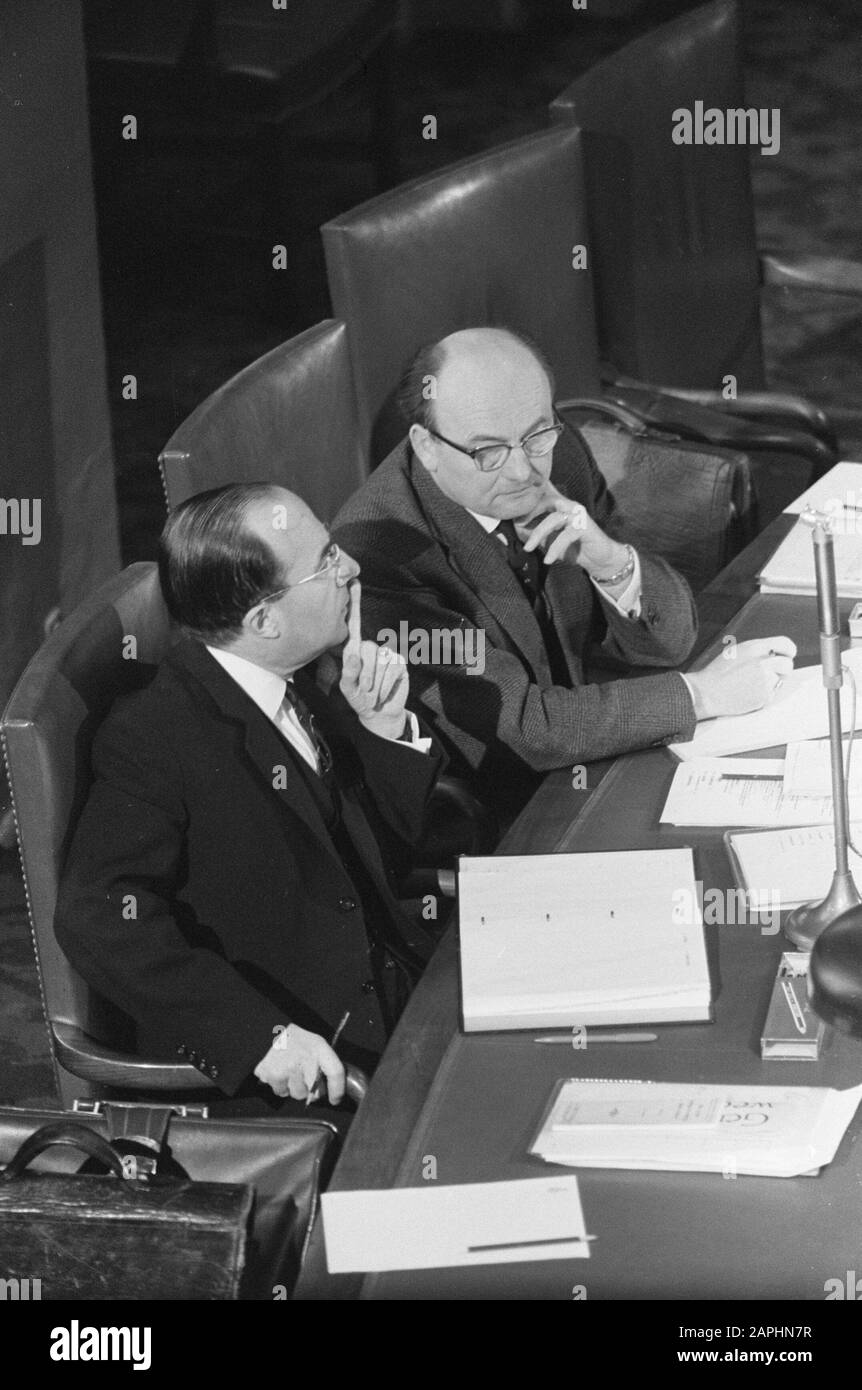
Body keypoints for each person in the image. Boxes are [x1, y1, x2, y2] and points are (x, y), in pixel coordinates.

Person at [55, 483, 444, 1120]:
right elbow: (99, 916)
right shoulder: (152, 737)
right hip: (325, 1074)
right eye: (326, 563)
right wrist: (257, 1038)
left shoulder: (300, 677)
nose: (351, 570)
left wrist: (381, 729)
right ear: (264, 620)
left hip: (406, 1002)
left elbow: (371, 860)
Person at [334, 327, 796, 816]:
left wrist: (610, 562)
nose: (521, 472)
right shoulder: (380, 555)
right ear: (425, 445)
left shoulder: (558, 454)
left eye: (535, 436)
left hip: (600, 748)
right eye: (487, 452)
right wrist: (700, 695)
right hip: (503, 810)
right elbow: (527, 726)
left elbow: (672, 640)